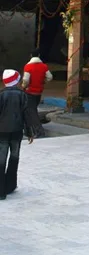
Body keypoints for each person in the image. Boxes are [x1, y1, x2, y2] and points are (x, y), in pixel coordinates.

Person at [0, 70, 36, 200]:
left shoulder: (1, 95)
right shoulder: (22, 95)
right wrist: (30, 132)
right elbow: (27, 115)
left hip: (2, 132)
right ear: (16, 81)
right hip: (17, 132)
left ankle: (1, 192)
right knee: (14, 158)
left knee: (1, 160)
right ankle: (10, 186)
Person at [22, 48, 53, 139]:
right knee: (30, 111)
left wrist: (24, 86)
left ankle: (39, 131)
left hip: (29, 92)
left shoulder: (28, 67)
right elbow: (50, 77)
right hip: (39, 92)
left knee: (31, 112)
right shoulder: (44, 66)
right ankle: (28, 130)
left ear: (31, 56)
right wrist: (43, 82)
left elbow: (26, 80)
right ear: (39, 56)